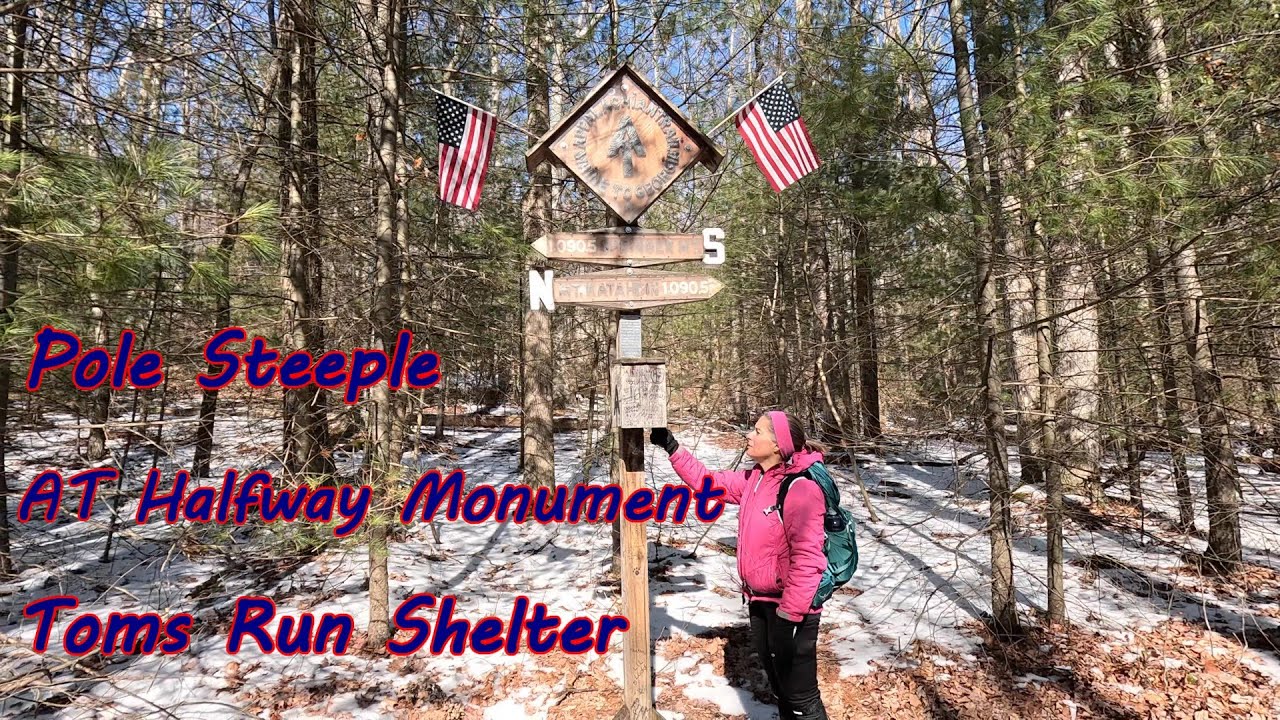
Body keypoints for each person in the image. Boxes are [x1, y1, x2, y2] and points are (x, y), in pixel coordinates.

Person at [651, 412, 829, 720]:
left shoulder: (801, 488)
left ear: (778, 444)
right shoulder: (755, 479)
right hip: (761, 603)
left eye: (757, 431)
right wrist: (672, 447)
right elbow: (709, 483)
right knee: (781, 691)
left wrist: (790, 616)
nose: (749, 435)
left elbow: (808, 559)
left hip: (791, 610)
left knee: (802, 700)